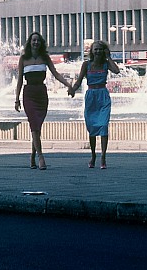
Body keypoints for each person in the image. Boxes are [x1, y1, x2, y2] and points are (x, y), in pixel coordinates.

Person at [15, 31, 73, 170]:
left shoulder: (45, 58)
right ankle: (41, 157)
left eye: (38, 40)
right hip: (29, 93)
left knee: (37, 127)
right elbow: (19, 80)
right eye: (33, 40)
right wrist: (16, 99)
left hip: (41, 94)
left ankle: (32, 156)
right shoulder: (23, 59)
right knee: (34, 126)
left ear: (41, 43)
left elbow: (56, 74)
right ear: (29, 43)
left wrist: (69, 85)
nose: (36, 42)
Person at [69, 40, 119, 169]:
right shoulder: (86, 64)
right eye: (95, 49)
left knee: (103, 126)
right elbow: (79, 80)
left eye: (100, 49)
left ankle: (103, 156)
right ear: (91, 51)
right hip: (91, 97)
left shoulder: (106, 64)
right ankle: (93, 155)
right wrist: (73, 89)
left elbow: (116, 71)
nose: (98, 51)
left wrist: (108, 57)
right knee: (91, 127)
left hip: (103, 96)